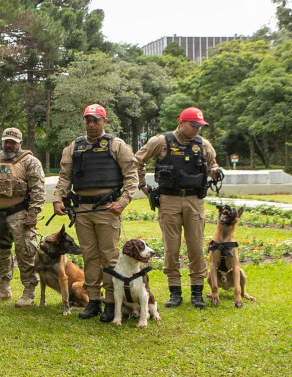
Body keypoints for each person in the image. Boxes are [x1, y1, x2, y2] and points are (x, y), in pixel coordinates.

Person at [52, 104, 138, 322]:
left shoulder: (116, 145)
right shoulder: (74, 147)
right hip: (82, 210)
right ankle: (93, 301)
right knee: (89, 256)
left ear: (104, 121)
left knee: (109, 257)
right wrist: (57, 198)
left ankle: (111, 302)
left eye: (96, 120)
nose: (91, 124)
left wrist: (122, 202)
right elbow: (65, 176)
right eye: (88, 120)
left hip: (107, 209)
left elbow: (131, 176)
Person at [134, 107, 219, 309]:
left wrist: (215, 171)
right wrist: (142, 185)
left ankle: (197, 292)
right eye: (193, 125)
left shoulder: (203, 145)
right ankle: (175, 292)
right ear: (180, 122)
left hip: (194, 200)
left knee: (196, 248)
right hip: (169, 200)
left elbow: (213, 163)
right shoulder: (161, 141)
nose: (197, 129)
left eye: (200, 126)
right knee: (171, 248)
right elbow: (137, 160)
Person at [0, 128, 45, 306]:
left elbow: (38, 189)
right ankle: (4, 289)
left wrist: (33, 214)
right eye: (6, 141)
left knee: (25, 254)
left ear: (20, 143)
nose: (9, 145)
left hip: (20, 214)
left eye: (13, 142)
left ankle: (28, 293)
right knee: (1, 252)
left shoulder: (30, 162)